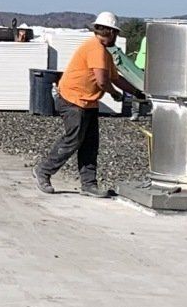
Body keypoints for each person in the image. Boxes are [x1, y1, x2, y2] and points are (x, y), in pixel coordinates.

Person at [36, 11, 131, 197]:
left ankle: (89, 184)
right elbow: (103, 81)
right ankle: (44, 171)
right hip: (72, 99)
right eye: (116, 33)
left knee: (90, 144)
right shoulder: (95, 48)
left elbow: (115, 77)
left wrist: (136, 92)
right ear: (110, 32)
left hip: (87, 101)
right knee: (73, 139)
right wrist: (115, 94)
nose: (116, 37)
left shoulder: (104, 52)